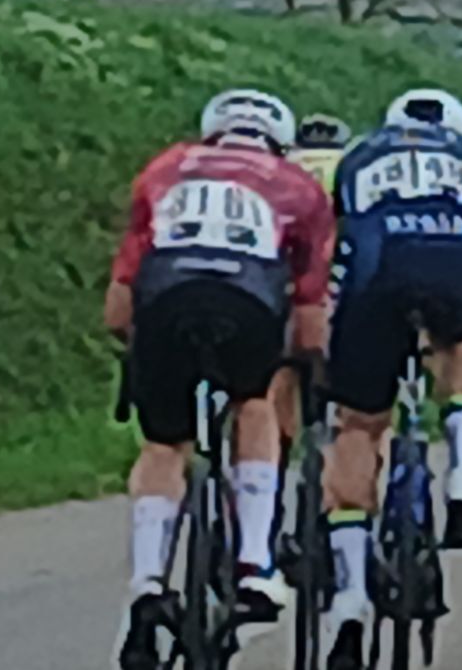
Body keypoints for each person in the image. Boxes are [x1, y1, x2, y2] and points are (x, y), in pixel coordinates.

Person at [104, 88, 336, 670]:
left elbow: (118, 307)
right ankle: (254, 562)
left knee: (164, 444)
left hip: (167, 298)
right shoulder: (299, 187)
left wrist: (139, 353)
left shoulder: (164, 169)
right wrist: (307, 367)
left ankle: (148, 583)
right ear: (280, 142)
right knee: (254, 403)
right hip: (246, 301)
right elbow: (310, 318)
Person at [321, 88, 462, 670]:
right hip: (457, 272)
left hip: (375, 279)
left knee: (359, 427)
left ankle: (349, 599)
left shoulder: (356, 157)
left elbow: (327, 260)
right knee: (459, 342)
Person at [290, 113, 354, 194]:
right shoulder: (292, 157)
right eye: (308, 129)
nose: (316, 132)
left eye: (330, 130)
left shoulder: (343, 160)